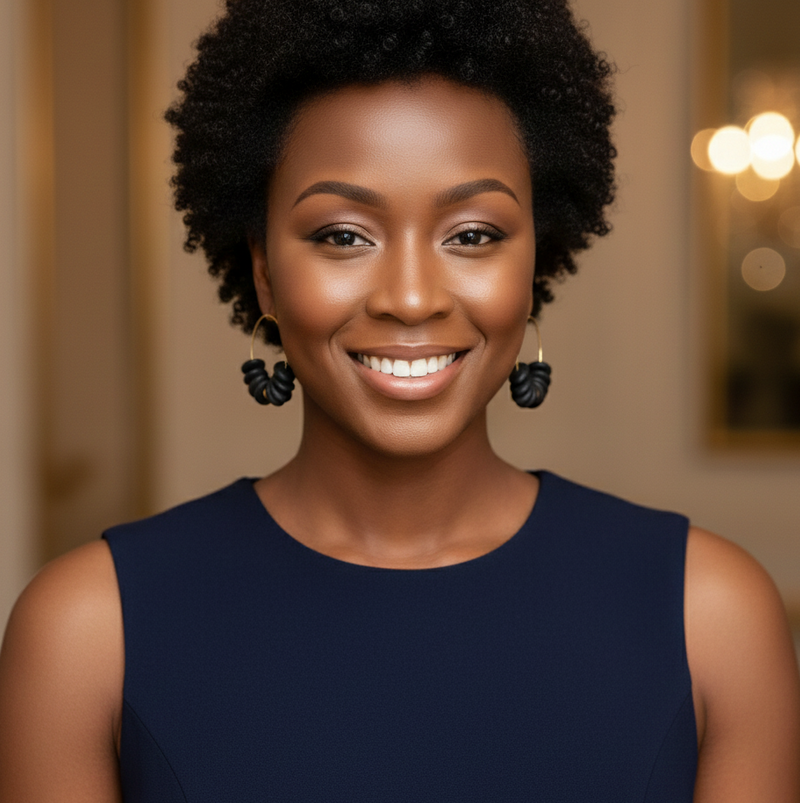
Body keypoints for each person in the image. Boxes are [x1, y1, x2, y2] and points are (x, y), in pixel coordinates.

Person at [1, 0, 799, 799]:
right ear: (265, 273)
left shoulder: (709, 617)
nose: (411, 297)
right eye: (343, 235)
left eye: (473, 234)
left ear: (534, 263)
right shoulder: (90, 632)